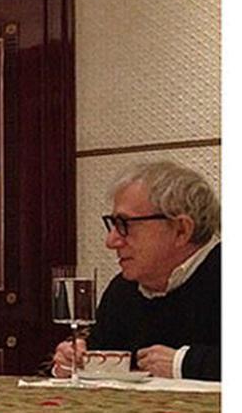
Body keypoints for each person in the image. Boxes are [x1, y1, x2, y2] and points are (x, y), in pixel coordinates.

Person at [52, 161, 220, 381]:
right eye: (112, 224)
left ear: (181, 230)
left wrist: (184, 364)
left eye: (125, 224)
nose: (111, 241)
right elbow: (97, 359)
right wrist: (71, 362)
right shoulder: (124, 289)